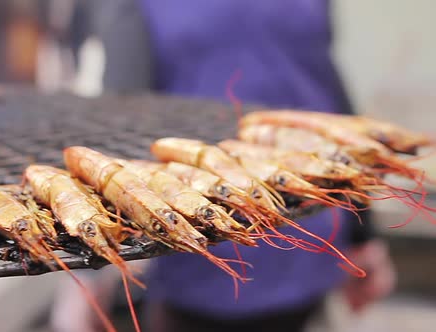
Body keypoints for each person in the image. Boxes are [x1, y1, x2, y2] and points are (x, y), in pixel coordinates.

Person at [50, 1, 396, 331]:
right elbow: (331, 95)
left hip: (223, 254)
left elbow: (119, 117)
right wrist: (363, 234)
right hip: (298, 233)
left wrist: (89, 277)